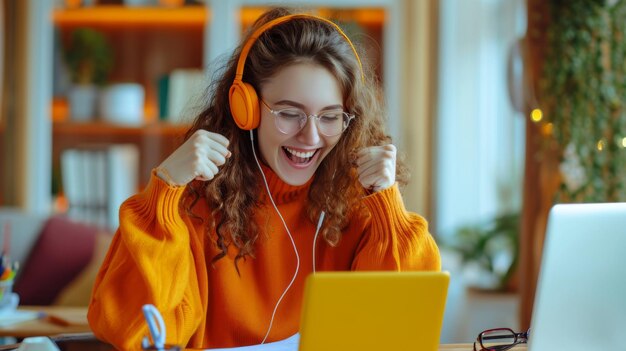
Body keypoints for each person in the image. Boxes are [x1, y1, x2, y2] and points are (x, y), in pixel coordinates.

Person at [87, 7, 441, 350]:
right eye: (290, 114)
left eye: (330, 117)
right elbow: (131, 331)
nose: (312, 137)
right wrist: (163, 196)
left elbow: (403, 332)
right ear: (246, 108)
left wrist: (387, 205)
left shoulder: (359, 204)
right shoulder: (191, 205)